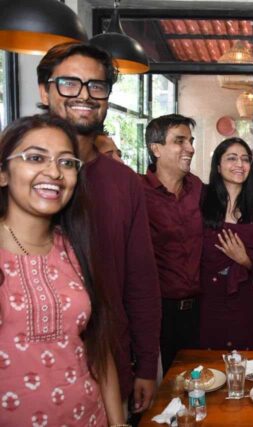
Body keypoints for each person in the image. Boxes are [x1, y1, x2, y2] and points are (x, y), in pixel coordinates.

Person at [37, 42, 161, 415]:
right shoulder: (22, 173)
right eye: (69, 83)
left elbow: (141, 281)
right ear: (44, 91)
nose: (85, 95)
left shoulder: (123, 182)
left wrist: (146, 365)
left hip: (108, 364)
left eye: (97, 86)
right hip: (30, 371)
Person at [0, 114, 125, 425]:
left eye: (67, 162)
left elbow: (98, 347)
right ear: (2, 173)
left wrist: (118, 423)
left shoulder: (74, 247)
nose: (54, 172)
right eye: (35, 158)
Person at [200, 137, 253, 350]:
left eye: (245, 159)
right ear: (218, 166)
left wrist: (245, 259)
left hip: (243, 296)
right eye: (232, 158)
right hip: (207, 297)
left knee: (242, 361)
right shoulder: (201, 201)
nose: (239, 164)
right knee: (207, 362)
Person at [141, 114, 203, 374]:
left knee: (199, 384)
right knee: (160, 389)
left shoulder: (197, 188)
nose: (190, 148)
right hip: (157, 314)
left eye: (191, 141)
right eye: (180, 141)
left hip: (199, 311)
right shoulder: (138, 192)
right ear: (156, 148)